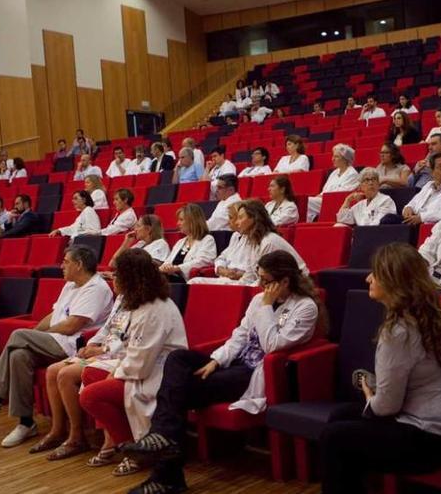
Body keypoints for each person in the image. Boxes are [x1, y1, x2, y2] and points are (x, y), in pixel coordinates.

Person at [124, 250, 320, 493]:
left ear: (285, 281)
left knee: (177, 393)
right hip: (233, 363)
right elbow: (239, 336)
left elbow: (272, 346)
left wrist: (267, 307)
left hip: (254, 372)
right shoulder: (259, 300)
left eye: (265, 281)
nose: (260, 286)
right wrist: (216, 360)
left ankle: (165, 470)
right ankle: (165, 448)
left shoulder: (305, 308)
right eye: (259, 279)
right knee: (178, 358)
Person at [319, 242, 441, 494]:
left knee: (334, 439)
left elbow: (386, 407)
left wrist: (369, 395)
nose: (367, 278)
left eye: (374, 274)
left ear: (393, 282)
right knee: (340, 418)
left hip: (430, 439)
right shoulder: (431, 315)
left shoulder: (398, 332)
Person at [0, 246, 114, 447]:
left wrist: (34, 336)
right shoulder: (70, 285)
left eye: (66, 261)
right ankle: (26, 423)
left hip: (75, 345)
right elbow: (53, 316)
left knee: (19, 335)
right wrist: (35, 334)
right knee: (19, 354)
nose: (61, 265)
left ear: (79, 265)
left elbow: (73, 325)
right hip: (56, 340)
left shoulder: (96, 288)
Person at [76, 248, 188, 475]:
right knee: (89, 374)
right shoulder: (140, 303)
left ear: (131, 278)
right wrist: (111, 362)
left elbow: (141, 363)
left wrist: (116, 372)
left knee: (90, 396)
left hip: (158, 376)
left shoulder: (155, 310)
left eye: (117, 274)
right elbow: (130, 346)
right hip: (140, 367)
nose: (113, 278)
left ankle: (135, 451)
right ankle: (116, 441)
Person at [191, 200, 308, 286]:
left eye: (241, 218)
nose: (237, 222)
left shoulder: (268, 242)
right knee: (194, 282)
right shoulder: (253, 239)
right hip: (261, 282)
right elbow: (251, 276)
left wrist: (233, 286)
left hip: (292, 286)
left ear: (254, 219)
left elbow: (255, 279)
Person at [159, 203, 216, 282]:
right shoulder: (180, 242)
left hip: (186, 280)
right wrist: (164, 267)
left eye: (181, 220)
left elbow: (203, 261)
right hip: (170, 277)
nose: (177, 223)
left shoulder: (207, 240)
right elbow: (168, 261)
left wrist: (178, 268)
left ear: (193, 221)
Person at [397, 153, 441, 226]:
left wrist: (422, 217)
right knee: (389, 219)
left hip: (430, 225)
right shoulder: (428, 185)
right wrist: (408, 208)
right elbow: (413, 202)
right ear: (432, 172)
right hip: (413, 221)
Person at [307, 144, 360, 222]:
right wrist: (321, 195)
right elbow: (325, 189)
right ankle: (312, 219)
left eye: (336, 157)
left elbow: (342, 193)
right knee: (304, 202)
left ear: (345, 159)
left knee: (307, 202)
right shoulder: (334, 172)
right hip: (325, 200)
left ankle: (312, 219)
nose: (332, 159)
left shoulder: (352, 174)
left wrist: (323, 196)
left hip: (337, 202)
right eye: (333, 156)